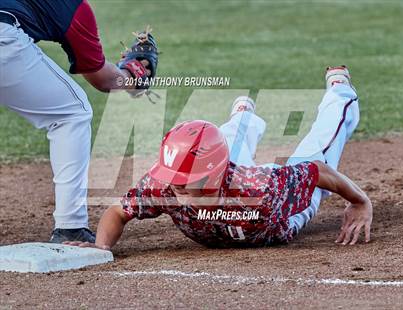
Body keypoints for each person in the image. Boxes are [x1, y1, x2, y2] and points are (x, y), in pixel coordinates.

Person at [65, 66, 373, 250]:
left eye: (186, 184)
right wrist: (101, 247)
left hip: (281, 219)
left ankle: (339, 90)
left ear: (212, 176)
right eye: (175, 182)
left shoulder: (263, 189)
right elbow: (118, 211)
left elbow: (317, 170)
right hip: (228, 181)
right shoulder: (164, 184)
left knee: (319, 144)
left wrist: (360, 202)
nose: (176, 189)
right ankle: (243, 118)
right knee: (222, 146)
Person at [0, 0, 158, 243]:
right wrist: (133, 74)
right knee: (72, 114)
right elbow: (104, 80)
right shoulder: (74, 7)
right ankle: (70, 227)